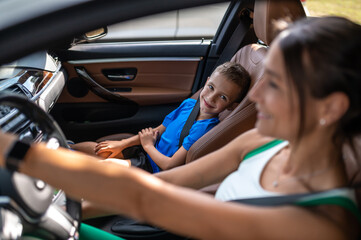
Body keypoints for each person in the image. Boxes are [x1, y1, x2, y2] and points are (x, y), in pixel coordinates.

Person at [0, 16, 360, 239]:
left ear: (330, 108)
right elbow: (159, 183)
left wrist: (18, 155)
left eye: (277, 83)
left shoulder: (321, 224)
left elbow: (147, 197)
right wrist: (67, 204)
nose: (258, 95)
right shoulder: (263, 141)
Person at [72, 61, 251, 173]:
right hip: (145, 153)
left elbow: (171, 166)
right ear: (207, 81)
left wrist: (148, 145)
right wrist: (123, 145)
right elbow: (158, 130)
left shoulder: (204, 130)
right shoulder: (189, 105)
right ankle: (61, 146)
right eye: (211, 87)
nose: (210, 98)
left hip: (154, 170)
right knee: (98, 149)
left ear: (231, 106)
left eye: (223, 97)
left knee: (104, 168)